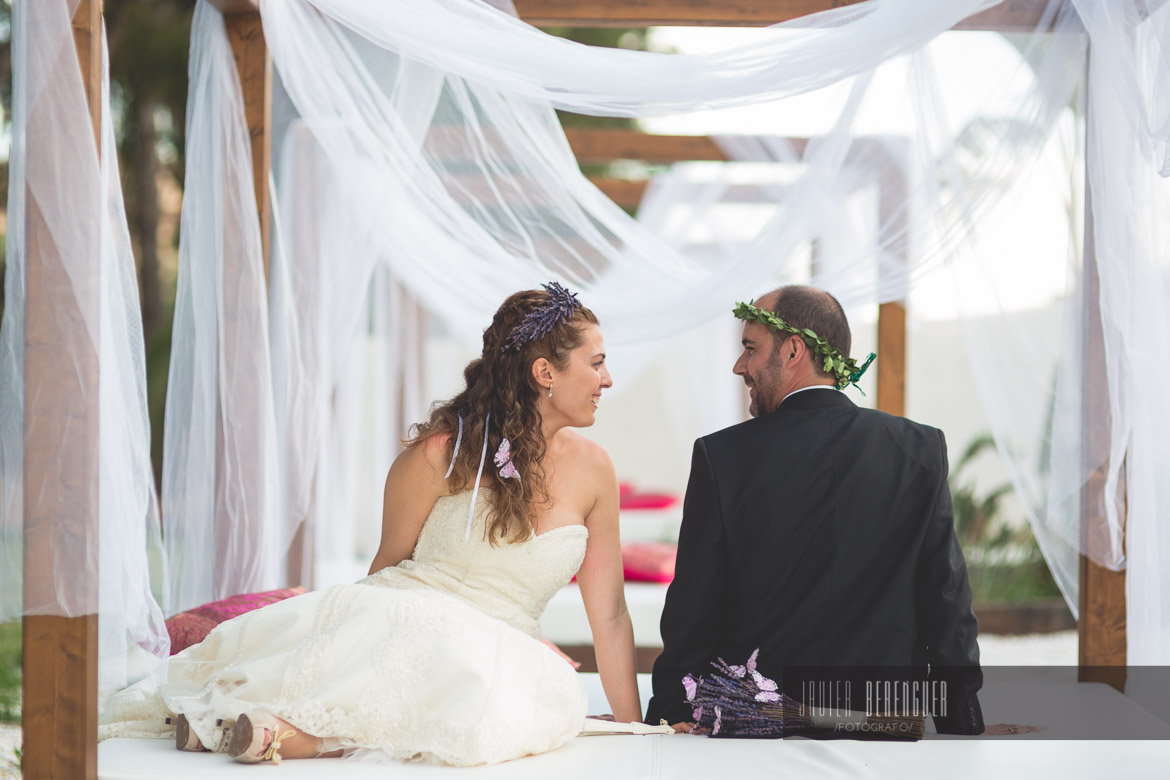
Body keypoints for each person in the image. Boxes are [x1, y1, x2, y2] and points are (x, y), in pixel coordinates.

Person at [101, 283, 641, 765]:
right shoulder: (439, 456)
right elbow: (386, 572)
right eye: (596, 363)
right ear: (545, 373)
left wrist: (633, 724)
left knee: (519, 689)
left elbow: (611, 613)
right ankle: (269, 728)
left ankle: (246, 731)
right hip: (411, 614)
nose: (608, 378)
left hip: (501, 649)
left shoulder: (596, 470)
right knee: (432, 646)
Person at [644, 285, 984, 736]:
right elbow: (945, 601)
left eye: (749, 348)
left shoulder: (721, 456)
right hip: (882, 730)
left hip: (756, 732)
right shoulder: (918, 450)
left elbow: (692, 614)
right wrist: (962, 725)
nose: (738, 366)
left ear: (792, 350)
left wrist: (668, 718)